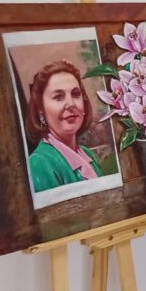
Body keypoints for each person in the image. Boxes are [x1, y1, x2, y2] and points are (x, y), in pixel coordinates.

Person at [26, 60, 104, 192]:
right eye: (58, 97)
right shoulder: (39, 164)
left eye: (76, 94)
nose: (71, 104)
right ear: (41, 110)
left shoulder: (87, 153)